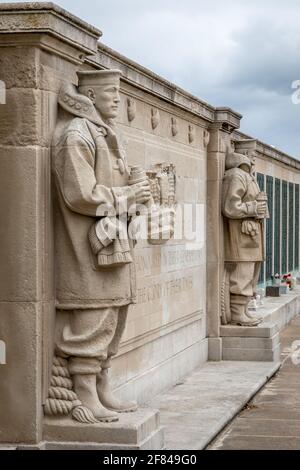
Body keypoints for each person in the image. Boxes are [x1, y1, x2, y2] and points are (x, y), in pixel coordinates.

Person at [51, 69, 151, 422]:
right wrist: (127, 194)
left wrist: (139, 191)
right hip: (86, 251)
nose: (117, 100)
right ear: (91, 95)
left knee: (113, 318)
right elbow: (79, 194)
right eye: (111, 93)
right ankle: (84, 392)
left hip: (114, 247)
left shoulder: (107, 133)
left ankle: (102, 385)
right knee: (92, 319)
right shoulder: (76, 133)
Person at [222, 146, 268, 326]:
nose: (254, 158)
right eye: (252, 154)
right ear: (244, 154)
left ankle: (244, 309)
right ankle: (237, 313)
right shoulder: (236, 175)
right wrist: (253, 208)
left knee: (251, 273)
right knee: (242, 273)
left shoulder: (249, 176)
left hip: (252, 235)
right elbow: (230, 206)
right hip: (241, 236)